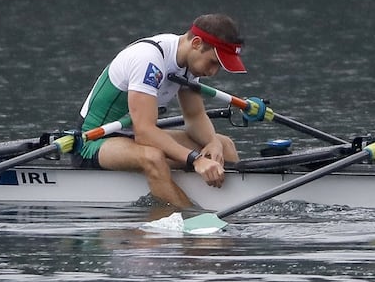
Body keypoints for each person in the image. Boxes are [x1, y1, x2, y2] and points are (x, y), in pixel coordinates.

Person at [75, 13, 247, 208]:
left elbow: (194, 116)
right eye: (213, 62)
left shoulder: (188, 62)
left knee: (224, 145)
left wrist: (213, 143)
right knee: (153, 157)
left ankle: (234, 209)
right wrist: (196, 160)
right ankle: (191, 219)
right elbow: (145, 133)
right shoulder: (148, 59)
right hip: (93, 141)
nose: (212, 73)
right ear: (197, 43)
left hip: (130, 136)